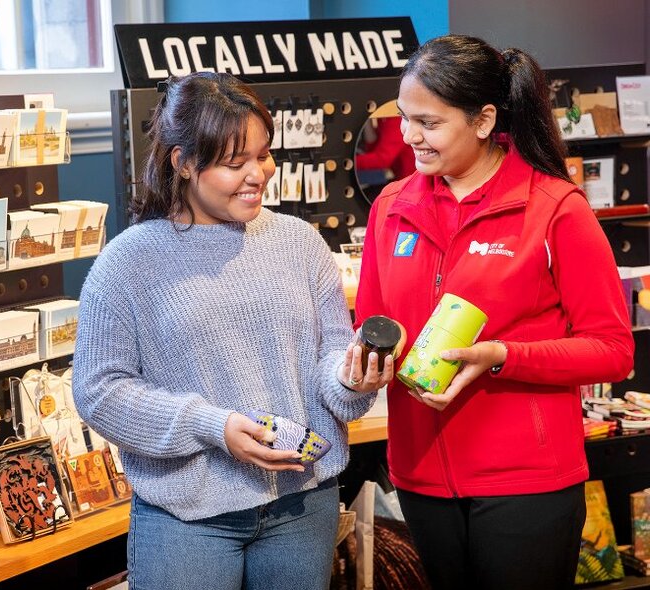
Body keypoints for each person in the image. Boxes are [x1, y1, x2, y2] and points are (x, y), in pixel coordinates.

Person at [72, 71, 391, 590]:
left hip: (302, 502)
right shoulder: (128, 263)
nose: (257, 174)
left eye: (263, 155)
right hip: (188, 516)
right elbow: (99, 392)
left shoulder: (299, 243)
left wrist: (353, 378)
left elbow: (330, 360)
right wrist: (212, 426)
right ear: (183, 162)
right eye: (233, 162)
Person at [354, 35, 634, 590]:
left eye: (428, 124)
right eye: (405, 118)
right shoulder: (392, 207)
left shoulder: (555, 209)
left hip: (527, 483)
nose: (409, 137)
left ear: (484, 120)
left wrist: (503, 356)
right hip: (419, 477)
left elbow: (612, 350)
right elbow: (370, 322)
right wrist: (364, 362)